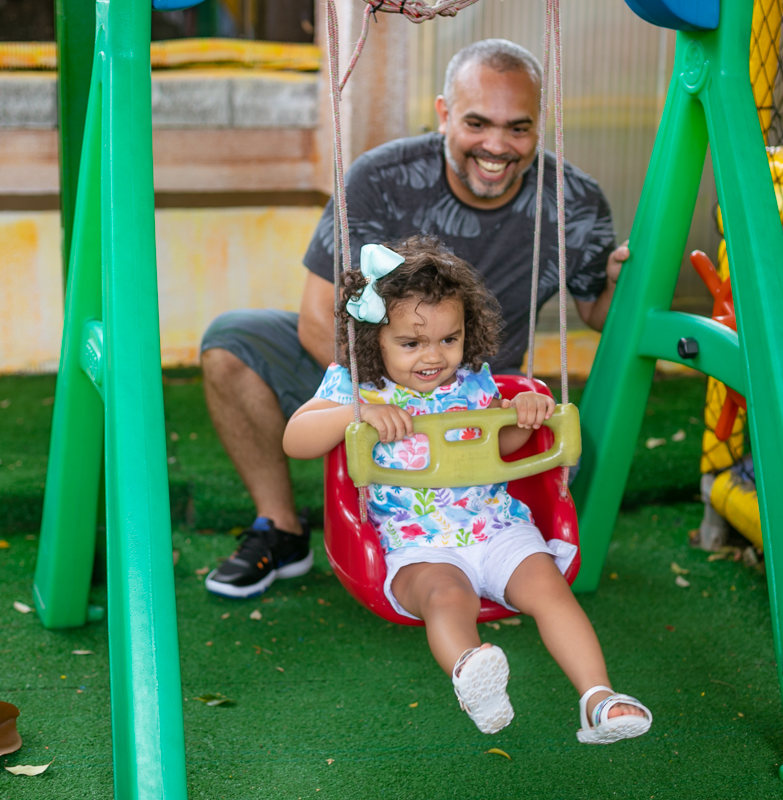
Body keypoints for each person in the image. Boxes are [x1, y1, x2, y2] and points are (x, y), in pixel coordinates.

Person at [200, 37, 628, 598]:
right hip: (367, 369)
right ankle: (281, 530)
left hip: (476, 391)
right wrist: (376, 400)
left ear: (538, 126)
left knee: (572, 453)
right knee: (232, 341)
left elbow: (599, 313)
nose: (497, 145)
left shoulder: (572, 198)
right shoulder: (381, 177)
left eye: (518, 128)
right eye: (477, 123)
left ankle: (478, 545)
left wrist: (625, 281)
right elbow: (314, 320)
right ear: (444, 113)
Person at [284, 237, 651, 742]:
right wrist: (361, 414)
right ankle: (474, 675)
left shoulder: (474, 382)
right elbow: (295, 438)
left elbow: (504, 443)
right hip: (417, 541)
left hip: (495, 523)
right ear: (374, 340)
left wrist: (525, 417)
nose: (433, 357)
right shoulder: (356, 386)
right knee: (446, 597)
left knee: (552, 592)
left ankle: (598, 697)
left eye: (448, 340)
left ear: (466, 333)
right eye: (411, 344)